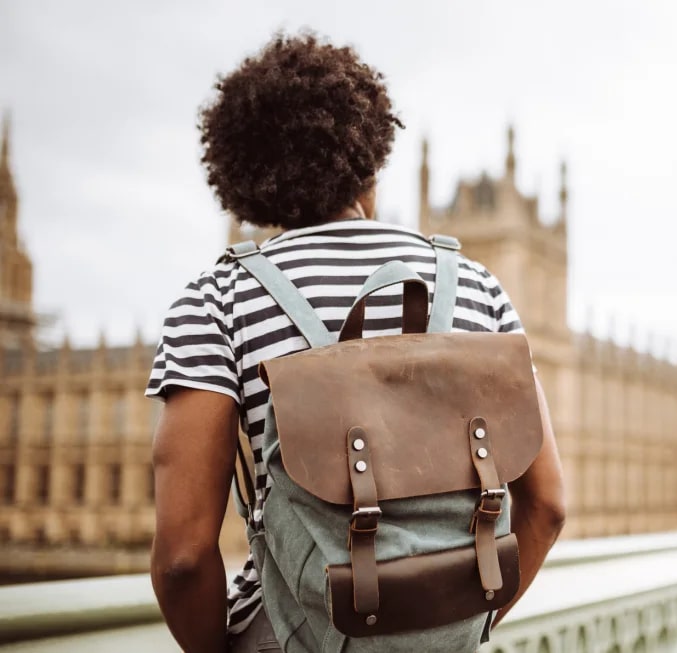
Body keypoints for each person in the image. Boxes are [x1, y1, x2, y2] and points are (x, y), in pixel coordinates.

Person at [146, 32, 567, 652]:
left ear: (245, 179)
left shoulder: (218, 298)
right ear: (371, 162)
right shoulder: (477, 286)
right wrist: (456, 629)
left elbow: (182, 558)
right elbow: (549, 505)